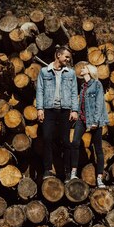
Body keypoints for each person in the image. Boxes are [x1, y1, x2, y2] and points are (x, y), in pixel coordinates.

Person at [35, 46, 79, 179]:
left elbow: (73, 92)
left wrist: (75, 110)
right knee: (47, 139)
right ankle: (48, 170)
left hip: (65, 111)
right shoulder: (44, 72)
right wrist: (40, 108)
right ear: (58, 55)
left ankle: (67, 172)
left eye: (69, 58)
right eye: (66, 57)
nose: (68, 59)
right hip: (49, 110)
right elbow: (40, 91)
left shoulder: (70, 73)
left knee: (66, 141)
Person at [69, 62, 109, 187]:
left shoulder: (97, 84)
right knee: (75, 143)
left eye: (84, 67)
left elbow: (99, 104)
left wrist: (96, 121)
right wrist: (74, 112)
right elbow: (80, 104)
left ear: (90, 71)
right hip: (81, 119)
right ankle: (73, 173)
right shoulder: (83, 87)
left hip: (94, 121)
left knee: (98, 150)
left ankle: (99, 179)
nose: (81, 68)